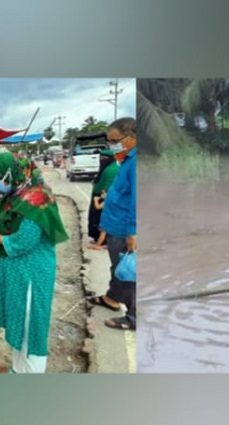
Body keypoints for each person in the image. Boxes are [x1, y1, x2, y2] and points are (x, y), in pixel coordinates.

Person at [0, 151, 69, 373]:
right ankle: (18, 370)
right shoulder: (16, 195)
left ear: (12, 173)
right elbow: (5, 230)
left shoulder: (37, 198)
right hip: (16, 274)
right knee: (17, 323)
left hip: (31, 275)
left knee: (31, 327)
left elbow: (22, 241)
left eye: (0, 179)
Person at [87, 118, 137, 331]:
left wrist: (133, 231)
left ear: (132, 137)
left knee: (128, 272)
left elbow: (137, 199)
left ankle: (134, 317)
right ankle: (112, 298)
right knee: (118, 267)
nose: (112, 144)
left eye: (115, 140)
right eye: (110, 141)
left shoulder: (135, 163)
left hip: (124, 228)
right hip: (115, 226)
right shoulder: (126, 160)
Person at [87, 149, 119, 247]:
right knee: (97, 219)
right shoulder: (108, 167)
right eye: (100, 158)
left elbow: (107, 187)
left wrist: (100, 197)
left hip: (103, 198)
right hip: (101, 196)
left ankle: (102, 241)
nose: (101, 160)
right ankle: (98, 239)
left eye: (103, 158)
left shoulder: (111, 170)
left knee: (101, 221)